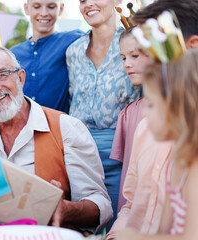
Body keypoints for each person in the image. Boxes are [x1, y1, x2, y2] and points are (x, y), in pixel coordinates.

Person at [0, 46, 112, 233]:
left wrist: (66, 210)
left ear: (21, 78)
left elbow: (100, 206)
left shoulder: (66, 129)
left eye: (1, 75)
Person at [106, 1, 198, 238]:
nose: (137, 63)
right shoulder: (146, 128)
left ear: (191, 47)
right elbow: (131, 204)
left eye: (148, 51)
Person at [66, 0, 141, 228]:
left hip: (120, 153)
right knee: (79, 226)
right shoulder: (73, 51)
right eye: (82, 1)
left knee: (120, 222)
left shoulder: (134, 44)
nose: (89, 4)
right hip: (77, 154)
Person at [10, 0, 84, 113]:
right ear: (26, 8)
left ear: (60, 9)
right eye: (36, 6)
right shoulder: (12, 54)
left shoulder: (72, 40)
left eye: (51, 6)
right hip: (22, 127)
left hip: (58, 126)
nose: (44, 13)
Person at [110, 29, 153, 212]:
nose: (127, 64)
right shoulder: (128, 114)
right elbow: (127, 172)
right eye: (123, 58)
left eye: (135, 55)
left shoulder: (181, 109)